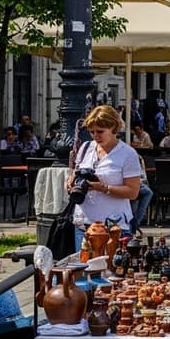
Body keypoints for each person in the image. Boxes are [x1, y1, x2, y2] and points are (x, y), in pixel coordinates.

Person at [66, 105, 142, 248]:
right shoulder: (86, 148)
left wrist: (104, 188)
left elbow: (133, 192)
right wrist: (71, 182)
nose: (96, 136)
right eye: (92, 132)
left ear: (114, 128)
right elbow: (76, 172)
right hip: (83, 223)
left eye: (100, 131)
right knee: (84, 262)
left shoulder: (127, 154)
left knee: (111, 263)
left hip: (113, 226)